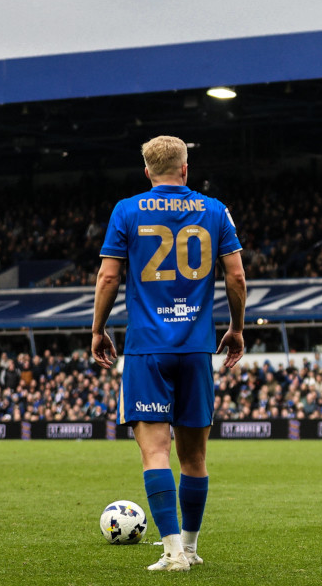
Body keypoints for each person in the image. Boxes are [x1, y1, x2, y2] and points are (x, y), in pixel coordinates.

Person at [91, 136, 246, 572]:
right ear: (184, 169)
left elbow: (107, 278)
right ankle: (192, 549)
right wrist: (235, 328)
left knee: (155, 453)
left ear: (146, 172)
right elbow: (236, 277)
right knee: (194, 457)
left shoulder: (126, 210)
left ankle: (173, 552)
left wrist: (98, 329)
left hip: (146, 349)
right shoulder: (215, 210)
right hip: (197, 348)